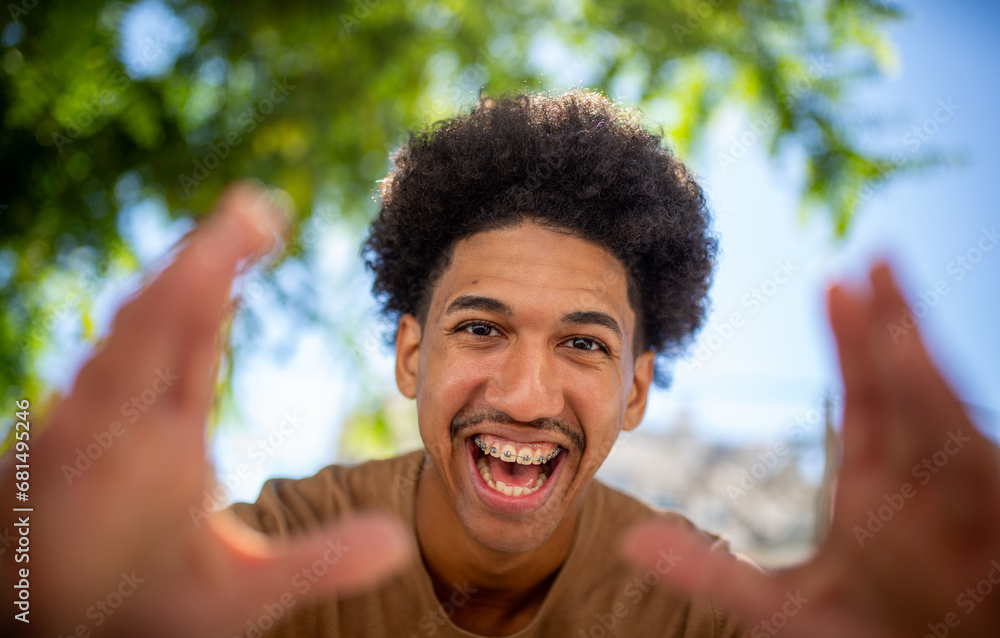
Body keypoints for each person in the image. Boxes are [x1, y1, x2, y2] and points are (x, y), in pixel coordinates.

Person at [2, 90, 998, 638]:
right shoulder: (265, 568)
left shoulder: (703, 613)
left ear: (637, 389)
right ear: (409, 353)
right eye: (480, 329)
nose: (525, 396)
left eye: (583, 344)